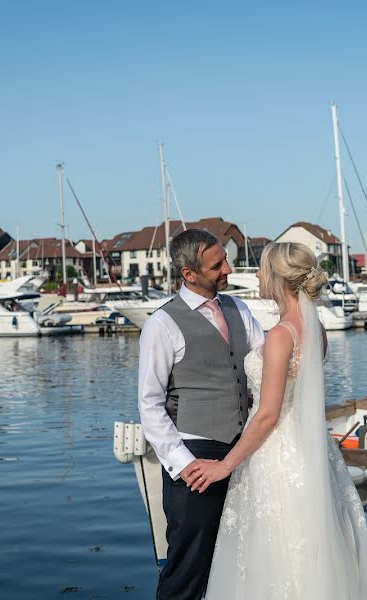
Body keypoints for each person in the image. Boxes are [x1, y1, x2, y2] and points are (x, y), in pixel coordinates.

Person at [189, 242, 367, 599]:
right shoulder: (316, 328)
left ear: (277, 278)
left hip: (277, 457)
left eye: (261, 269)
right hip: (310, 453)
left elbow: (268, 414)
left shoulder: (283, 335)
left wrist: (225, 465)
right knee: (313, 548)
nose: (255, 275)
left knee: (275, 554)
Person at [138, 229, 264, 600]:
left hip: (244, 451)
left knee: (240, 555)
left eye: (225, 259)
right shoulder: (162, 324)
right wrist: (181, 463)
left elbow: (265, 362)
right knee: (188, 566)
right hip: (195, 456)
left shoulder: (239, 309)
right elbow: (149, 402)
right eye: (217, 265)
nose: (227, 268)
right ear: (188, 273)